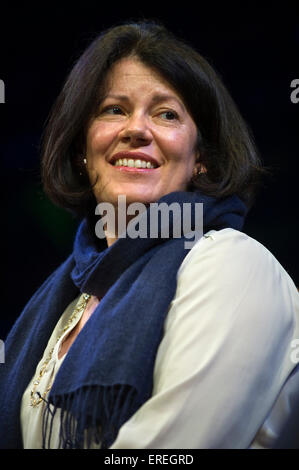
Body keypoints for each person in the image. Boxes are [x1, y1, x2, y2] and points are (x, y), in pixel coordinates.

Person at [0, 20, 298, 450]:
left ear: (201, 158)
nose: (136, 129)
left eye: (166, 114)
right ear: (83, 151)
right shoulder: (68, 298)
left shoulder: (232, 264)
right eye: (113, 109)